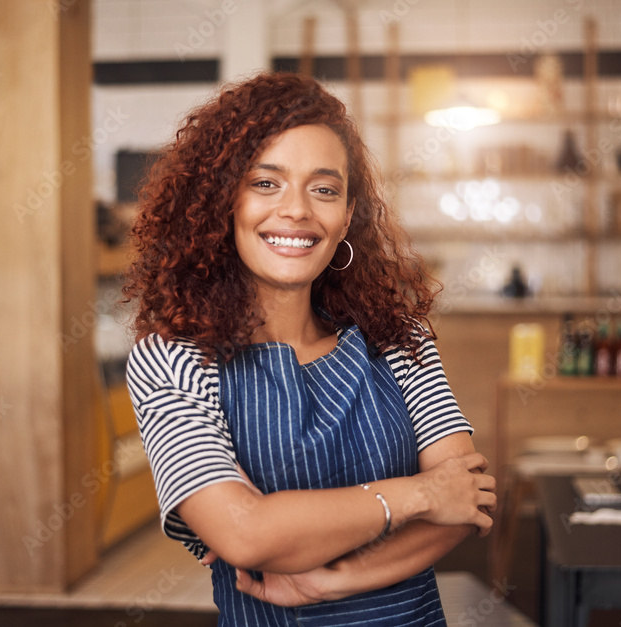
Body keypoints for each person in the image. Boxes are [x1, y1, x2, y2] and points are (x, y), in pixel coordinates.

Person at [123, 71, 496, 626]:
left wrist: (330, 581)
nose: (297, 211)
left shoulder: (398, 340)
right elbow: (244, 533)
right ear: (223, 202)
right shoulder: (175, 359)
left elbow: (471, 501)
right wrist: (421, 495)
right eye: (265, 183)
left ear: (347, 215)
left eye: (324, 189)